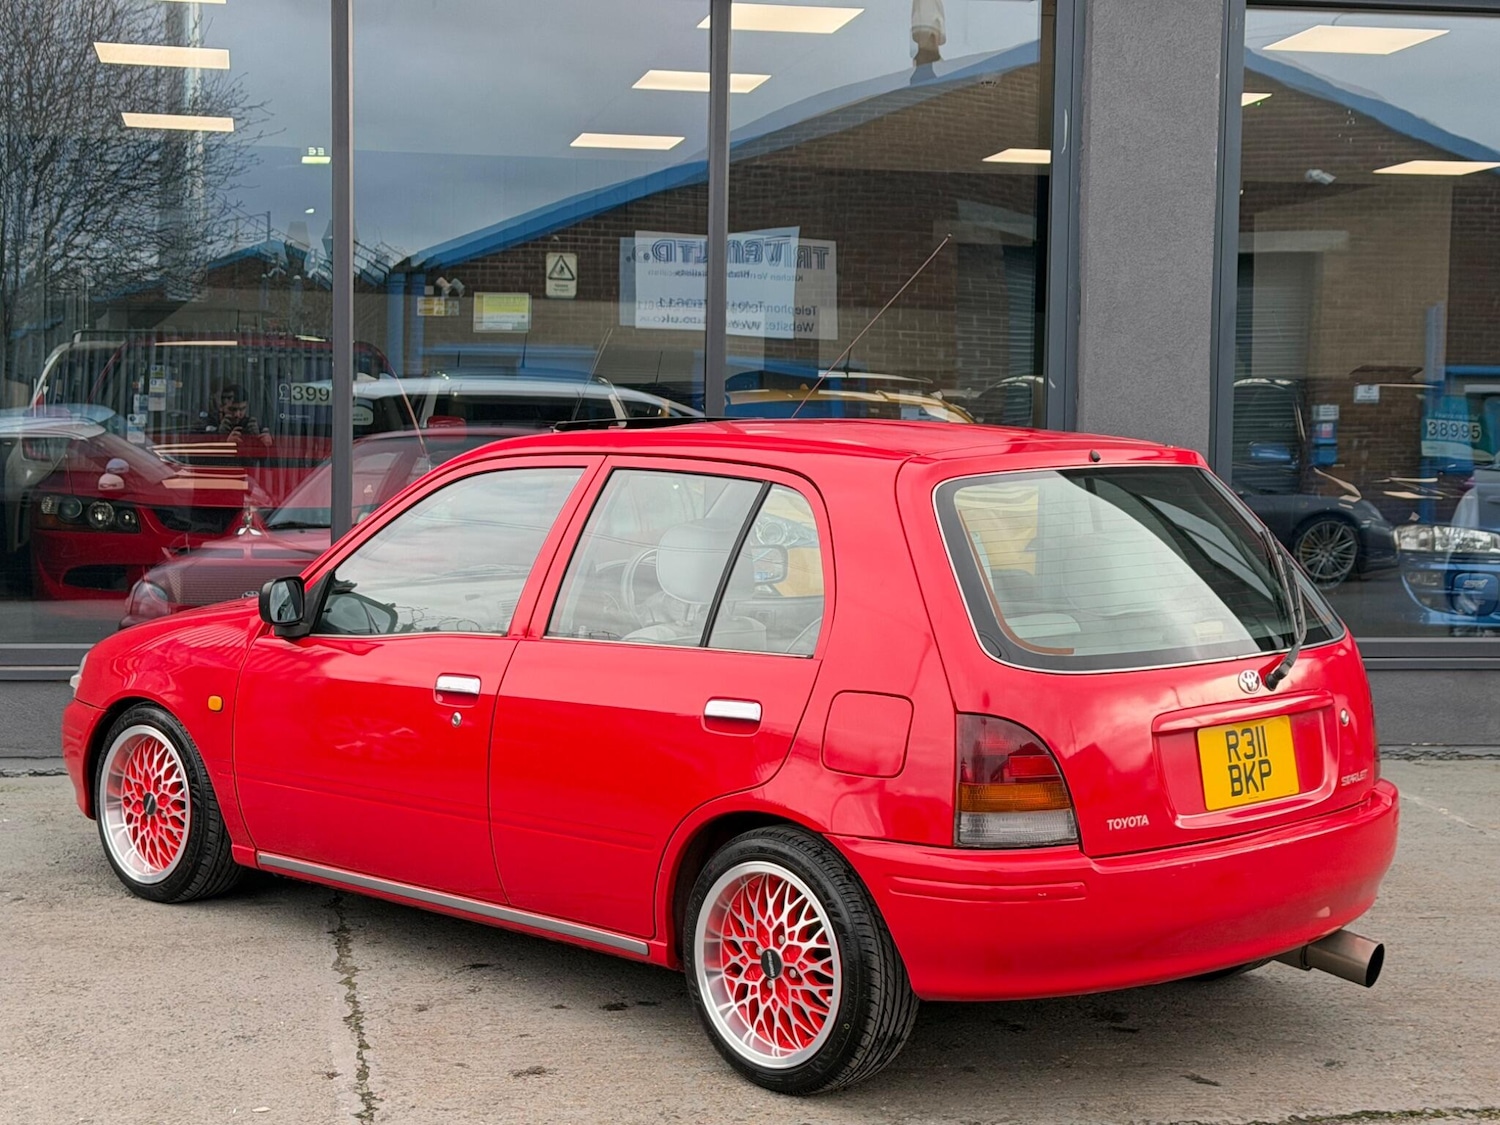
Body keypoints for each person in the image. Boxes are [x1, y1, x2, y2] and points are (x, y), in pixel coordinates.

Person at [207, 384, 273, 447]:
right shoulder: (208, 423)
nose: (237, 415)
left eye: (242, 409)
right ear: (221, 407)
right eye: (232, 409)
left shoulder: (250, 425)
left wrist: (260, 440)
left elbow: (266, 456)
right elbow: (201, 450)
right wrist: (222, 439)